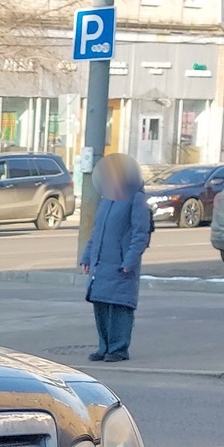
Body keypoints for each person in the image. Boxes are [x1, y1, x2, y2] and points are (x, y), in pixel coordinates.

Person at [79, 152, 151, 362]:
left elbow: (140, 234)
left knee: (119, 307)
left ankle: (118, 348)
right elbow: (96, 232)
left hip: (121, 264)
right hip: (101, 263)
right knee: (101, 305)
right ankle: (104, 347)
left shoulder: (136, 198)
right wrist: (87, 257)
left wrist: (130, 261)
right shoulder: (107, 199)